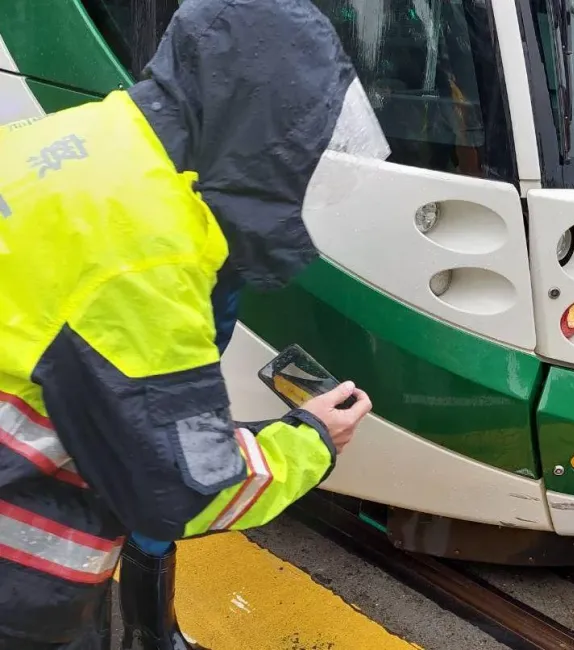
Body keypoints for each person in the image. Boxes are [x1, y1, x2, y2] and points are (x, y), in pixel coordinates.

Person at [0, 0, 391, 648]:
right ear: (260, 122)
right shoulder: (148, 242)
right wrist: (311, 440)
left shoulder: (70, 141)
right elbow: (186, 482)